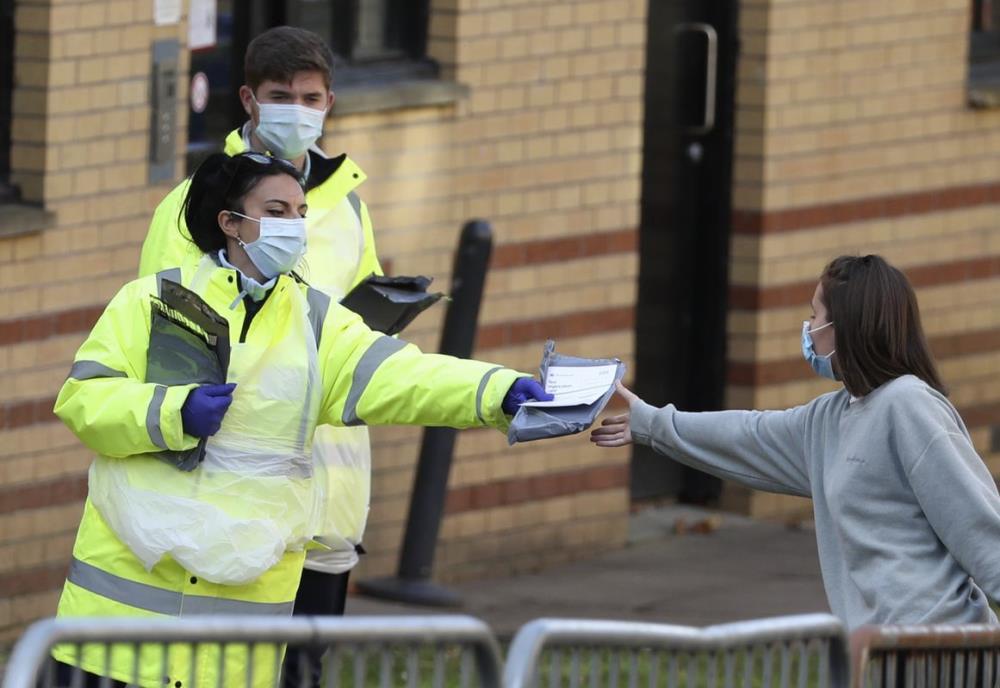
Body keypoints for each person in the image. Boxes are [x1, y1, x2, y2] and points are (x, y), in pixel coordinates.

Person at [50, 152, 551, 687]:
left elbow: (405, 376)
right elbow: (84, 399)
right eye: (277, 209)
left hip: (235, 652)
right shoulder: (150, 302)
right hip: (115, 641)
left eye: (300, 210)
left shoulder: (318, 324)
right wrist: (173, 412)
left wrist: (496, 390)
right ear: (230, 222)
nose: (294, 223)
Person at [139, 26, 389, 684]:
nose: (298, 111)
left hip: (327, 502)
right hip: (237, 502)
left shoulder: (347, 208)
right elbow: (172, 337)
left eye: (311, 98)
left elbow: (359, 324)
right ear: (249, 99)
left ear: (330, 102)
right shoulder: (196, 205)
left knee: (302, 674)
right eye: (283, 96)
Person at [592, 254, 1000, 630]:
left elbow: (980, 528)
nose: (808, 329)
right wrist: (652, 423)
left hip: (944, 652)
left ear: (845, 329)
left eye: (815, 316)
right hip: (879, 654)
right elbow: (748, 436)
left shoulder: (909, 405)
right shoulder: (831, 418)